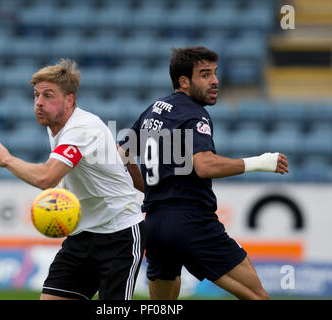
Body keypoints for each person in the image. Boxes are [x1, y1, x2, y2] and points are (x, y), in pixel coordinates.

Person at [118, 46, 289, 300]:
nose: (215, 81)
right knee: (258, 297)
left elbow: (122, 152)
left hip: (154, 225)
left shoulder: (154, 108)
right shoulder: (194, 114)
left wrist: (148, 186)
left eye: (215, 73)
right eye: (205, 75)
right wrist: (259, 162)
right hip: (192, 223)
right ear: (184, 82)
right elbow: (205, 165)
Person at [0, 59, 145, 300]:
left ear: (70, 100)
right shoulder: (56, 125)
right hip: (81, 235)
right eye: (36, 95)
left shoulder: (81, 128)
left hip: (119, 235)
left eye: (48, 96)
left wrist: (7, 159)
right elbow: (120, 152)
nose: (39, 103)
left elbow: (46, 178)